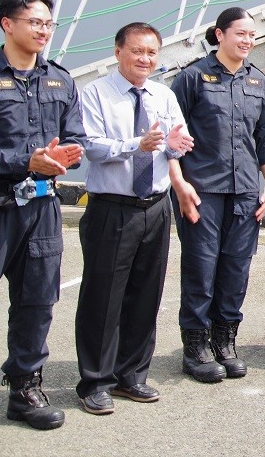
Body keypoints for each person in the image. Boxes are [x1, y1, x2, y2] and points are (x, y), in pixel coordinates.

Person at [0, 0, 84, 430]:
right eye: (34, 22)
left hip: (42, 209)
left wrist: (65, 155)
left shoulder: (61, 80)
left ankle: (25, 390)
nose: (43, 31)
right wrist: (26, 161)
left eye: (48, 24)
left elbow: (76, 137)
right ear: (7, 23)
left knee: (37, 302)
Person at [75, 22, 196, 415]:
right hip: (112, 207)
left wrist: (177, 146)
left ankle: (132, 376)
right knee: (103, 298)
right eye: (137, 51)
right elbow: (91, 146)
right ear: (118, 52)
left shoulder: (163, 94)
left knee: (146, 294)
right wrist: (136, 145)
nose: (145, 59)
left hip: (155, 207)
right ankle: (95, 382)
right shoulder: (95, 93)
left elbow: (177, 141)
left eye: (152, 53)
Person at [171, 6, 265, 382]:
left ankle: (224, 341)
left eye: (252, 35)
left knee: (236, 268)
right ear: (220, 35)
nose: (248, 40)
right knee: (201, 269)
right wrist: (179, 185)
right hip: (202, 190)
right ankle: (195, 347)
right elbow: (171, 139)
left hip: (246, 191)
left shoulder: (258, 82)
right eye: (241, 33)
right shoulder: (192, 78)